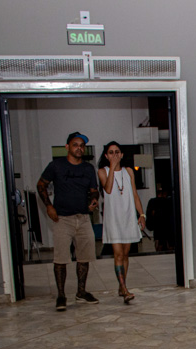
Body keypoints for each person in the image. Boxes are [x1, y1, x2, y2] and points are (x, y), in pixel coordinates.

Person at [37, 132, 100, 312]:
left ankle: (81, 292)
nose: (79, 148)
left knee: (84, 257)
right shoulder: (56, 165)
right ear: (67, 147)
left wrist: (94, 199)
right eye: (75, 144)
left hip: (83, 218)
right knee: (61, 259)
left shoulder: (88, 169)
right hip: (62, 219)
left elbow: (94, 190)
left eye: (82, 145)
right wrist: (49, 206)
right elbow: (41, 185)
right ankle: (61, 295)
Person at [98, 142, 146, 303]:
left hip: (128, 217)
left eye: (117, 152)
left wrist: (141, 214)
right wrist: (112, 167)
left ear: (122, 154)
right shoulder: (102, 171)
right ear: (106, 156)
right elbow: (108, 189)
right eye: (111, 152)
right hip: (113, 219)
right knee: (118, 254)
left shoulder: (129, 171)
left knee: (125, 254)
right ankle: (124, 289)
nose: (115, 155)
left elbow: (134, 194)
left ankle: (121, 285)